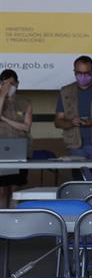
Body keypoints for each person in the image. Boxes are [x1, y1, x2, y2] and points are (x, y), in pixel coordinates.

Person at [54, 56, 92, 161]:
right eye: (79, 73)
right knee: (78, 177)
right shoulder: (65, 91)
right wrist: (71, 122)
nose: (82, 76)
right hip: (75, 146)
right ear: (74, 71)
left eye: (86, 73)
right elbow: (58, 122)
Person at [0, 69, 30, 207]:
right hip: (2, 151)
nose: (8, 87)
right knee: (2, 190)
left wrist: (4, 118)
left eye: (11, 84)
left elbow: (26, 127)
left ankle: (14, 221)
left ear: (17, 84)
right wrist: (3, 95)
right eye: (5, 84)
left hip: (20, 150)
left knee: (15, 190)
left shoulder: (25, 102)